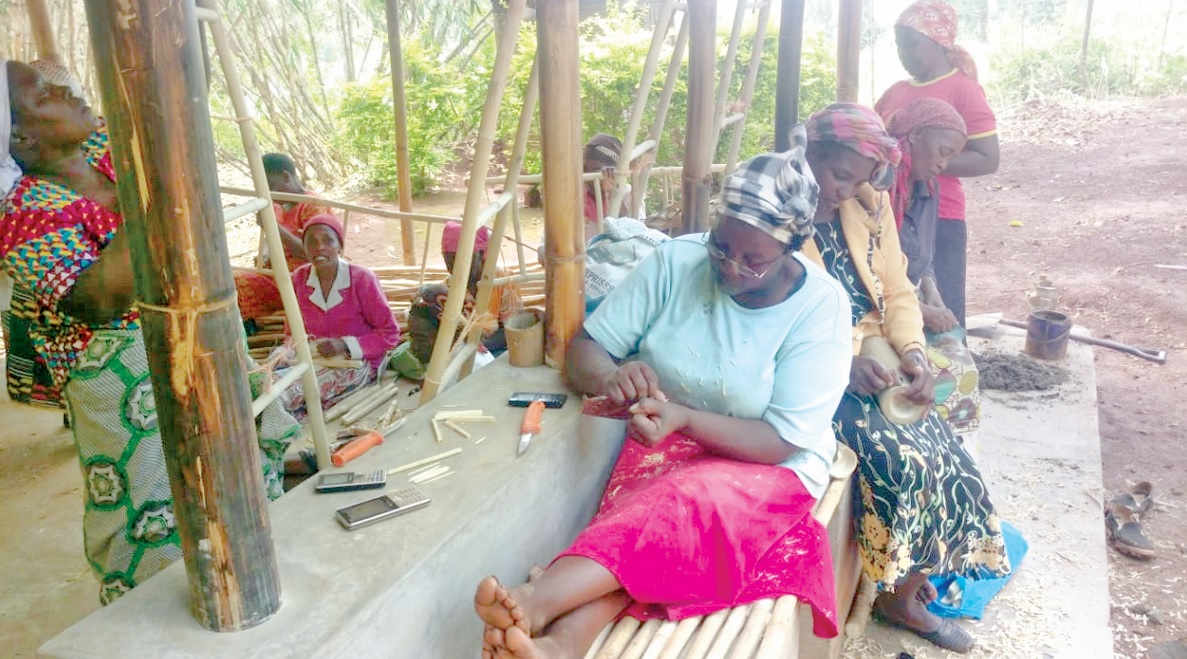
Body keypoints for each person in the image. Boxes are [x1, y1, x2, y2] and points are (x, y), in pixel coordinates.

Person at [473, 145, 854, 658]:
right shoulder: (679, 260)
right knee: (656, 529)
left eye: (754, 261)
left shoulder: (820, 308)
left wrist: (684, 419)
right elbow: (586, 349)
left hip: (770, 466)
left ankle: (537, 601)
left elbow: (781, 440)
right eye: (722, 247)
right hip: (666, 444)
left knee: (682, 504)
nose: (731, 268)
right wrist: (613, 376)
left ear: (791, 249)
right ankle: (562, 646)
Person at [1, 60, 298, 604]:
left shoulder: (100, 152)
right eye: (46, 93)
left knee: (232, 459)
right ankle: (151, 609)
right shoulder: (24, 216)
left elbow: (173, 100)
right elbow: (98, 300)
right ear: (20, 134)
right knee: (146, 501)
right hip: (115, 382)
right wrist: (153, 191)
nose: (68, 87)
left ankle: (246, 570)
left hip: (195, 340)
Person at [799, 103, 1008, 653]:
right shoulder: (779, 208)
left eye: (859, 178)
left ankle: (914, 588)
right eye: (837, 174)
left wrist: (913, 354)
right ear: (808, 154)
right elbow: (763, 312)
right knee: (896, 457)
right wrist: (839, 367)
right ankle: (892, 595)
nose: (844, 189)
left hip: (872, 353)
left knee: (948, 453)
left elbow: (895, 291)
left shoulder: (868, 206)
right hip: (810, 366)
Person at [875, 0, 999, 328]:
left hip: (939, 214)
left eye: (910, 44)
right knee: (895, 299)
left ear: (938, 42)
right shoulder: (895, 92)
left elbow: (988, 157)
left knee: (942, 309)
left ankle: (952, 376)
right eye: (899, 45)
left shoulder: (963, 89)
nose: (903, 53)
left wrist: (926, 163)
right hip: (892, 209)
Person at [885, 98, 982, 435]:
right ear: (916, 134)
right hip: (879, 309)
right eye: (941, 151)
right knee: (934, 378)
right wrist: (920, 311)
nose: (944, 164)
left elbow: (922, 257)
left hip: (907, 301)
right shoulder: (878, 186)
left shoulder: (928, 188)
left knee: (961, 360)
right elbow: (867, 272)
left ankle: (953, 451)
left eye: (950, 157)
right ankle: (930, 446)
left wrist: (931, 288)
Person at [271, 214, 401, 418]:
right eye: (312, 242)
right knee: (262, 378)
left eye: (328, 240)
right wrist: (287, 351)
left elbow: (390, 333)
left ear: (340, 246)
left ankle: (276, 428)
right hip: (312, 355)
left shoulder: (361, 279)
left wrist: (344, 345)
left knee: (280, 393)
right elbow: (292, 331)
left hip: (356, 362)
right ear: (304, 248)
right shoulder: (299, 279)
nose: (320, 247)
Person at [233, 152, 331, 322]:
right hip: (278, 276)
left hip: (308, 280)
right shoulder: (278, 206)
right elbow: (269, 239)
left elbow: (316, 252)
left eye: (269, 187)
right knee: (230, 279)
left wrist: (274, 227)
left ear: (286, 177)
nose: (267, 194)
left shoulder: (314, 205)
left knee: (236, 283)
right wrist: (264, 253)